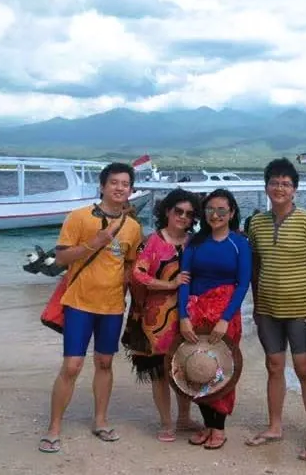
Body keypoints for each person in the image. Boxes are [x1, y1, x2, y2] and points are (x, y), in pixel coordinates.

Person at [38, 162, 143, 453]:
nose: (120, 188)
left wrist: (123, 293)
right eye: (114, 183)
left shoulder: (133, 227)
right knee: (72, 366)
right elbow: (60, 258)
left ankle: (100, 421)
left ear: (131, 189)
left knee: (105, 363)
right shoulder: (79, 217)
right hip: (79, 303)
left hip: (111, 307)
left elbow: (130, 263)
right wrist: (93, 243)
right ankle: (54, 427)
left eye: (125, 183)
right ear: (102, 186)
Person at [244, 158, 306, 461]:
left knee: (304, 370)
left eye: (286, 184)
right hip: (267, 309)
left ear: (294, 190)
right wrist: (254, 303)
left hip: (301, 309)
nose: (280, 188)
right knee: (274, 367)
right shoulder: (257, 223)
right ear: (267, 187)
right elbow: (255, 265)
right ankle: (275, 426)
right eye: (275, 182)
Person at [121, 189, 202, 442]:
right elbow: (138, 274)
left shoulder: (195, 242)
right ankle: (166, 423)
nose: (183, 217)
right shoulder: (152, 242)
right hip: (155, 320)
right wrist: (170, 285)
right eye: (178, 211)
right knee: (160, 373)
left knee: (185, 370)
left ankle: (184, 418)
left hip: (188, 316)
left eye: (189, 214)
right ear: (167, 211)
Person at [177, 188, 252, 450]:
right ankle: (207, 425)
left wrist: (225, 319)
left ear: (231, 213)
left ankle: (218, 428)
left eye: (222, 210)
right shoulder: (194, 243)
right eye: (211, 209)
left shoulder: (240, 243)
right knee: (197, 366)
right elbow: (184, 280)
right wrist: (183, 316)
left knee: (222, 368)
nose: (216, 214)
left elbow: (243, 284)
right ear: (204, 213)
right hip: (196, 311)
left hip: (225, 314)